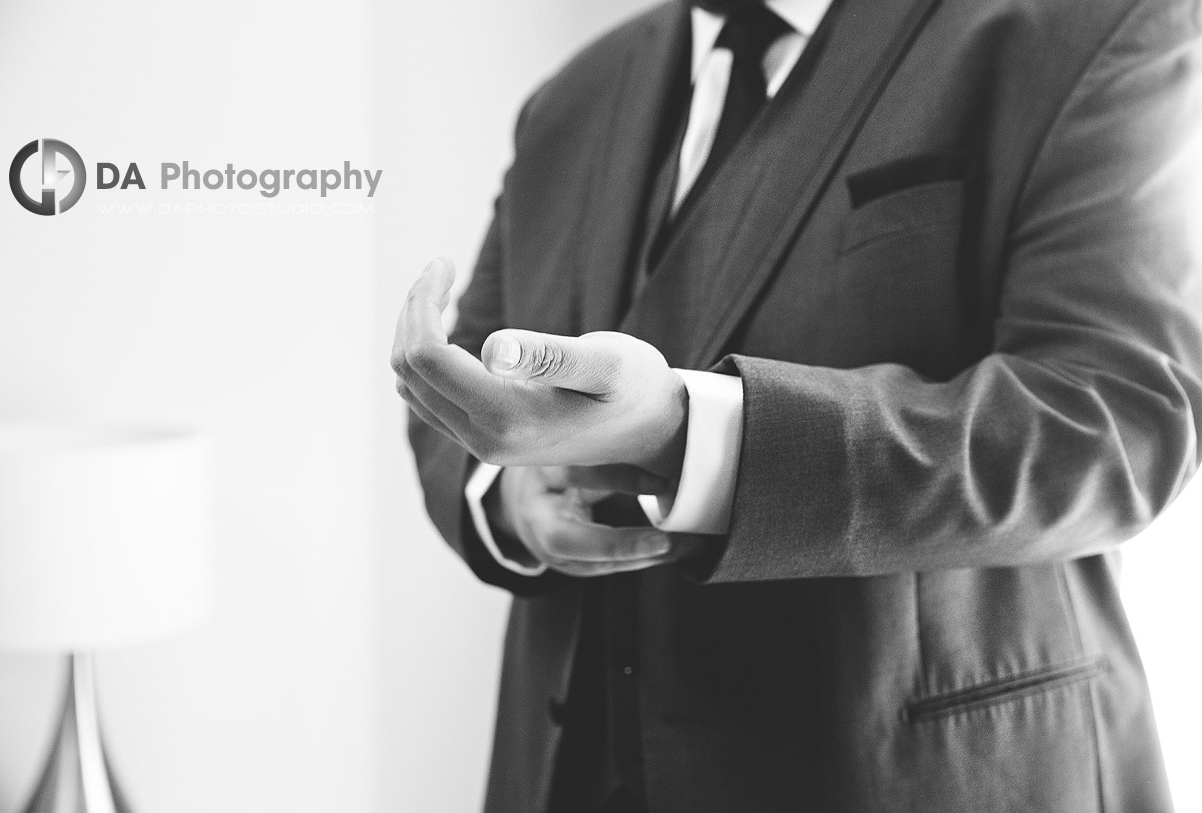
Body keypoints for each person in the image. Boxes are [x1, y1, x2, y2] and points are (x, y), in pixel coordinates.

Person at [393, 0, 1202, 808]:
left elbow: (1119, 421)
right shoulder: (570, 96)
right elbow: (472, 380)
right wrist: (510, 489)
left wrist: (692, 436)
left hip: (917, 774)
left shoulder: (1096, 28)